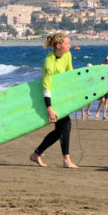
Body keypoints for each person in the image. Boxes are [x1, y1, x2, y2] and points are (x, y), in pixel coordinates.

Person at [30, 33, 79, 169]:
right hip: (50, 98)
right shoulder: (49, 61)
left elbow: (70, 75)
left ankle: (37, 153)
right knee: (65, 126)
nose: (70, 46)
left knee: (61, 130)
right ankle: (66, 160)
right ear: (58, 46)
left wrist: (74, 97)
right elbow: (46, 85)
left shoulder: (67, 55)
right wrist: (49, 108)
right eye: (67, 43)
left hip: (62, 97)